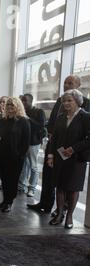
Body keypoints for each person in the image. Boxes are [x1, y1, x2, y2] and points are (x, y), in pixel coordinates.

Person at [28, 75, 90, 215]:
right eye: (65, 83)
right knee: (49, 175)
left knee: (68, 183)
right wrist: (50, 136)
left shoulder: (85, 103)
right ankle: (45, 203)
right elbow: (53, 122)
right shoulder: (59, 101)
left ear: (79, 85)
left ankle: (62, 209)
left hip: (74, 151)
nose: (66, 85)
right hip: (55, 145)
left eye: (70, 83)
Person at [47, 90, 90, 229]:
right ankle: (59, 214)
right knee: (60, 186)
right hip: (60, 157)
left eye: (69, 100)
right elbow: (54, 139)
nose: (66, 103)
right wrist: (51, 156)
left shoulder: (86, 117)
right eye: (64, 100)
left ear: (77, 101)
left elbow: (88, 139)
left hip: (77, 159)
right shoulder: (60, 117)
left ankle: (69, 215)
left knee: (72, 189)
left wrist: (74, 148)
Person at [0, 97, 31, 213]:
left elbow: (26, 142)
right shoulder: (3, 120)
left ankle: (9, 202)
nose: (10, 107)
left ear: (18, 106)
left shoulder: (23, 121)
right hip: (3, 154)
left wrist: (20, 155)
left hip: (16, 157)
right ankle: (5, 200)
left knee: (12, 180)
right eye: (8, 104)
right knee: (4, 178)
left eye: (12, 105)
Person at [18, 94, 46, 197]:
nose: (23, 103)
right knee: (24, 165)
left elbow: (41, 125)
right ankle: (22, 186)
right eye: (22, 101)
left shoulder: (39, 112)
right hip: (23, 142)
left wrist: (27, 118)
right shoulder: (23, 112)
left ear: (31, 101)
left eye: (25, 101)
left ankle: (32, 188)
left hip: (33, 143)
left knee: (33, 165)